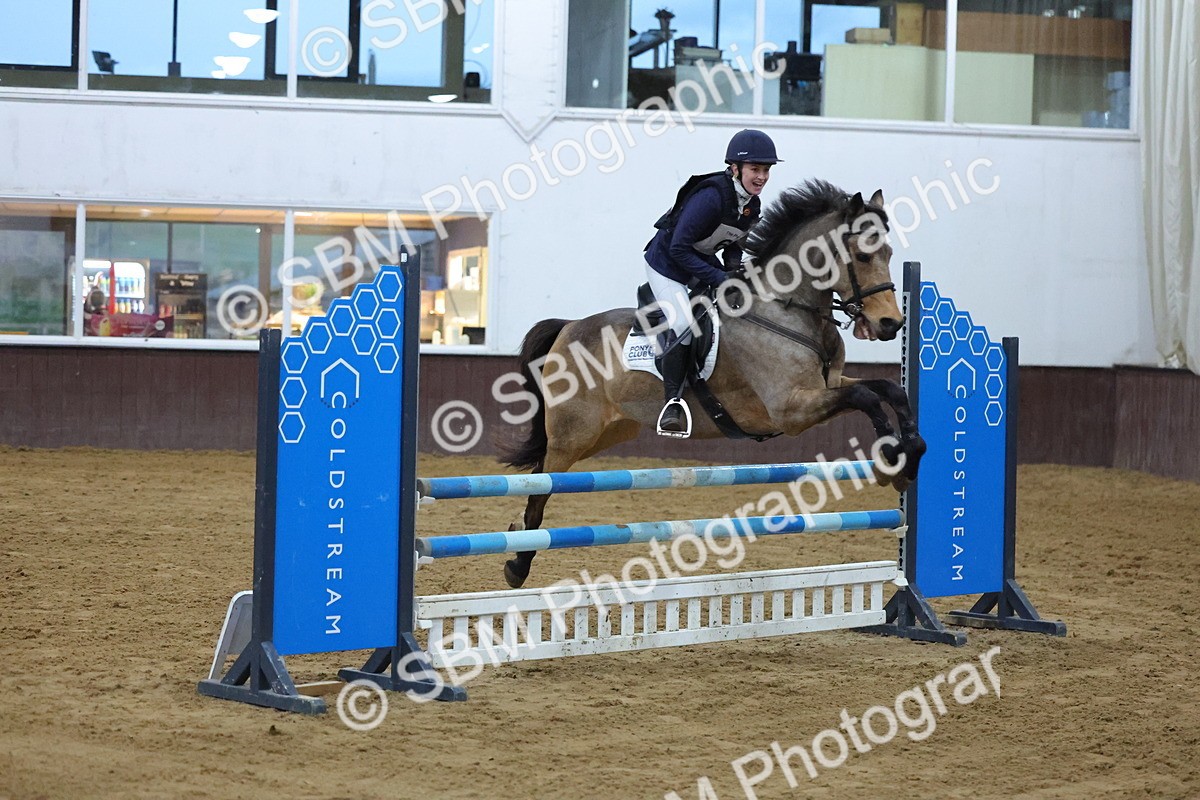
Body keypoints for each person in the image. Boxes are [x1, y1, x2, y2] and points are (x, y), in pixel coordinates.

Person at [642, 128, 782, 437]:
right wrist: (720, 277)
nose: (762, 176)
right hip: (667, 266)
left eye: (766, 170)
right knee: (683, 324)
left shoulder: (751, 205)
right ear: (735, 168)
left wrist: (735, 271)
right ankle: (673, 405)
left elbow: (733, 242)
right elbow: (678, 247)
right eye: (755, 169)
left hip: (698, 263)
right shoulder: (711, 197)